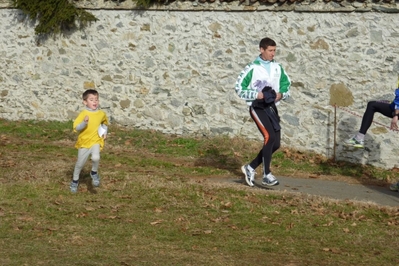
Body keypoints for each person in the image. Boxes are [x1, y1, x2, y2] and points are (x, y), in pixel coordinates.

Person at [235, 37, 291, 187]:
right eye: (270, 50)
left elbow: (286, 84)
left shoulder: (278, 67)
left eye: (274, 51)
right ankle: (267, 174)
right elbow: (239, 88)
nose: (273, 54)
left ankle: (250, 167)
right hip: (257, 106)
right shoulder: (252, 68)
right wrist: (256, 94)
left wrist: (281, 94)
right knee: (269, 136)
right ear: (262, 50)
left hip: (271, 108)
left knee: (276, 143)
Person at [343, 88, 399, 191]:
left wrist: (396, 115)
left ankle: (359, 138)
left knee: (372, 105)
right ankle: (359, 137)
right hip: (393, 107)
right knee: (373, 104)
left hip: (396, 110)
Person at [70, 89, 109, 193]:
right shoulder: (83, 114)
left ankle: (94, 172)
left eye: (96, 99)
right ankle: (75, 180)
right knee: (80, 164)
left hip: (96, 140)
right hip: (84, 142)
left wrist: (105, 132)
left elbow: (104, 123)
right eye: (91, 99)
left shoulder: (101, 114)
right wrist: (84, 123)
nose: (95, 102)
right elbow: (76, 128)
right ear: (85, 102)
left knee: (96, 157)